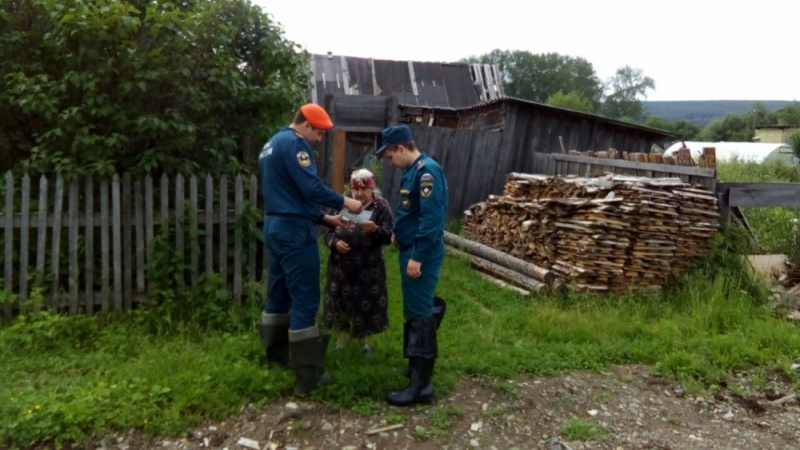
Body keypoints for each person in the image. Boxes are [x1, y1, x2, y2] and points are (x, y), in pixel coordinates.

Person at [256, 103, 364, 397]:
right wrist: (345, 201)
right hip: (293, 232)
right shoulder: (295, 145)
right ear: (306, 125)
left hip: (275, 227)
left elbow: (288, 194)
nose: (319, 139)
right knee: (305, 298)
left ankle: (277, 354)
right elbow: (310, 189)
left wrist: (324, 218)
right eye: (318, 133)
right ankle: (307, 377)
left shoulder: (271, 144)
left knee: (278, 292)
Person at [375, 124, 449, 407]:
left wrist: (417, 254)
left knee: (419, 315)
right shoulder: (412, 171)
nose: (390, 162)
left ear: (402, 148)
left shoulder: (426, 172)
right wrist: (398, 233)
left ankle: (420, 386)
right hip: (411, 248)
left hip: (423, 253)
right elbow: (411, 211)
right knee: (416, 310)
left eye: (390, 156)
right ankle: (417, 368)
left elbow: (432, 220)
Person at [322, 168, 393, 356]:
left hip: (369, 268)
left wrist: (375, 229)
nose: (360, 194)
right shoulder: (341, 203)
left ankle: (364, 343)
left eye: (364, 190)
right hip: (340, 267)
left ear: (372, 189)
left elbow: (389, 235)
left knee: (366, 303)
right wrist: (335, 243)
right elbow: (327, 230)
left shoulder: (381, 206)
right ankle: (341, 341)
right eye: (356, 190)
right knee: (340, 302)